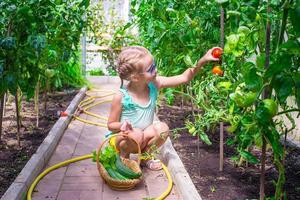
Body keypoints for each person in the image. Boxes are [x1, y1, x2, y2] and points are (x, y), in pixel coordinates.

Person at [107, 46, 220, 170]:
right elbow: (111, 124)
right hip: (124, 139)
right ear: (135, 77)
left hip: (143, 136)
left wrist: (203, 60)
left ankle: (145, 157)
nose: (156, 70)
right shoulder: (121, 96)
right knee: (137, 134)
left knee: (162, 128)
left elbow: (184, 78)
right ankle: (124, 157)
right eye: (151, 69)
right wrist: (122, 126)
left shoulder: (154, 85)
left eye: (154, 65)